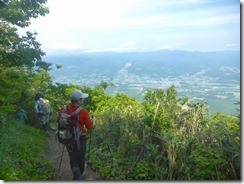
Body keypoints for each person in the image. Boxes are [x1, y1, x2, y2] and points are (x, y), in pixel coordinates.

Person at [63, 89, 94, 180]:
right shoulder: (83, 111)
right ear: (78, 100)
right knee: (80, 159)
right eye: (81, 99)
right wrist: (92, 121)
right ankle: (78, 177)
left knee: (73, 159)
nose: (82, 100)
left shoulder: (64, 108)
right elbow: (89, 127)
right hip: (80, 139)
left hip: (68, 138)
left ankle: (76, 176)